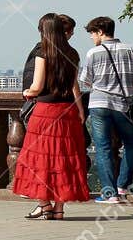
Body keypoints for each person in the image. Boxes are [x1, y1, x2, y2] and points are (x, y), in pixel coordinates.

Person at [16, 13, 88, 220]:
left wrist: (28, 92)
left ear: (44, 31)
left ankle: (44, 204)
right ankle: (58, 209)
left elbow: (37, 86)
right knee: (63, 160)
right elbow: (74, 84)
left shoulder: (42, 52)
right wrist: (80, 108)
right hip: (68, 112)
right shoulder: (73, 53)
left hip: (46, 113)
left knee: (39, 160)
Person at [79, 15, 133, 204]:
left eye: (92, 33)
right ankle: (122, 185)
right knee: (131, 144)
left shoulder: (93, 53)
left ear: (100, 31)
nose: (91, 37)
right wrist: (131, 87)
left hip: (98, 105)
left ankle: (109, 193)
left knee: (103, 148)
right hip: (122, 105)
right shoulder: (131, 50)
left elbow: (85, 81)